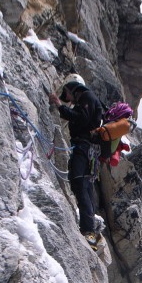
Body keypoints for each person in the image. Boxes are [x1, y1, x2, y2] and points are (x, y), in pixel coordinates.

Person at [49, 74, 102, 247]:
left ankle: (88, 231)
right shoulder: (87, 99)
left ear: (72, 88)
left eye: (66, 93)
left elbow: (81, 118)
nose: (67, 98)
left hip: (84, 148)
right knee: (83, 185)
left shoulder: (87, 97)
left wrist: (59, 106)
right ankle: (90, 230)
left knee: (80, 183)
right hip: (88, 150)